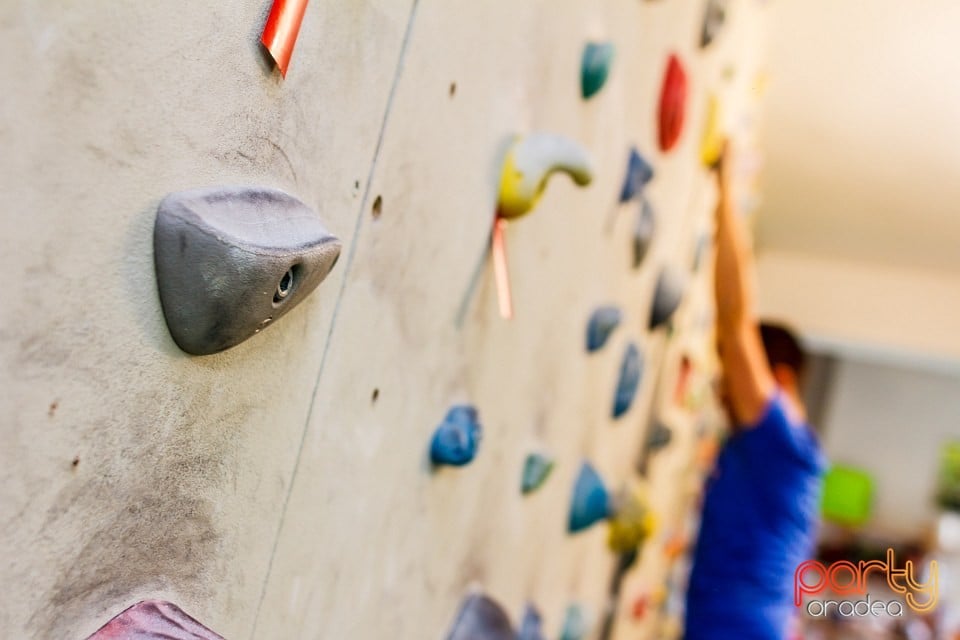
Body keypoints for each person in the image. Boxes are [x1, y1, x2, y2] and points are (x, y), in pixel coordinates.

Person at [684, 144, 827, 639]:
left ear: (780, 378)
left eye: (731, 377)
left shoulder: (780, 440)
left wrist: (725, 192)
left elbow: (734, 321)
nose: (724, 393)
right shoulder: (786, 456)